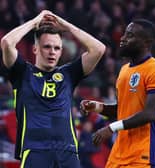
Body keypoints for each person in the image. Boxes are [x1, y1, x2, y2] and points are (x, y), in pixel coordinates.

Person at [0, 10, 106, 168]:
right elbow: (7, 43)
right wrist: (34, 22)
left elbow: (98, 49)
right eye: (47, 47)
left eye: (57, 48)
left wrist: (66, 26)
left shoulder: (68, 74)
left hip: (68, 152)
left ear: (61, 51)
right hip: (35, 151)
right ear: (35, 49)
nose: (52, 52)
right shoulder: (22, 72)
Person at [80, 19, 155, 168]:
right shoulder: (124, 70)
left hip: (143, 156)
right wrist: (97, 107)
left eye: (130, 35)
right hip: (119, 155)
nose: (123, 38)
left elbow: (149, 114)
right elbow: (123, 111)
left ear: (146, 42)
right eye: (125, 34)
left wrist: (111, 128)